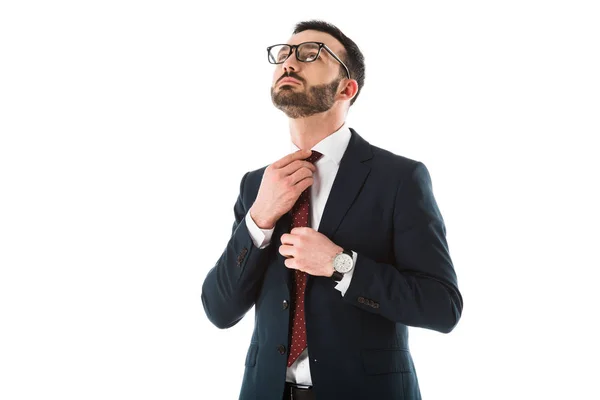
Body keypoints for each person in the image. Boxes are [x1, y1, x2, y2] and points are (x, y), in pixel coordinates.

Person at [201, 20, 463, 400]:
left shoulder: (399, 179)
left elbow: (442, 306)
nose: (290, 62)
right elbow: (219, 309)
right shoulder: (257, 185)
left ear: (347, 87)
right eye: (285, 54)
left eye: (310, 54)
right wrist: (258, 220)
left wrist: (342, 264)